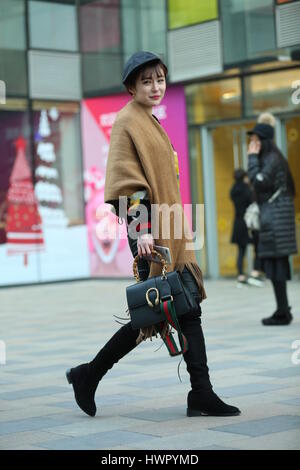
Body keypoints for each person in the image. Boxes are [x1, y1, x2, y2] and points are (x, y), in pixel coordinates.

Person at [66, 51, 241, 418]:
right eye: (146, 81)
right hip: (149, 231)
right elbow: (127, 183)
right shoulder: (128, 122)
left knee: (184, 310)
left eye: (159, 79)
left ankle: (200, 393)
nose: (155, 86)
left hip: (169, 228)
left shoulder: (149, 119)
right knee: (151, 313)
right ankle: (89, 374)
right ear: (131, 87)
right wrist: (141, 228)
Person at [247, 121, 297, 325]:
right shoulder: (273, 158)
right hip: (277, 219)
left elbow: (258, 182)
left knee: (276, 267)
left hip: (275, 221)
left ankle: (282, 312)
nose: (252, 143)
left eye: (256, 140)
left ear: (265, 141)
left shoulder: (272, 159)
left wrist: (251, 158)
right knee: (276, 267)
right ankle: (282, 309)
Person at [230, 169, 252, 286]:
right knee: (255, 245)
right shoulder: (246, 190)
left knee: (240, 250)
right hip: (247, 221)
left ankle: (240, 274)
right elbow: (251, 202)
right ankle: (255, 271)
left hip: (237, 221)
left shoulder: (233, 190)